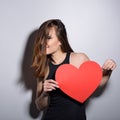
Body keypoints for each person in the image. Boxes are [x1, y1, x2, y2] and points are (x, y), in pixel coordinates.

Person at [32, 19, 116, 120]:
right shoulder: (42, 67)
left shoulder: (79, 58)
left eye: (48, 38)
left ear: (60, 40)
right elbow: (39, 106)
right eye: (41, 38)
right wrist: (45, 94)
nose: (42, 42)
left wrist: (108, 71)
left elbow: (97, 83)